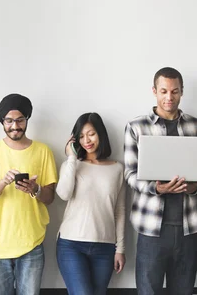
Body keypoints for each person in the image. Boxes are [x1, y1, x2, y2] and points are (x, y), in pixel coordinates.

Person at [124, 67, 197, 295]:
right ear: (154, 91)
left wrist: (195, 185)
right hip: (151, 228)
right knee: (148, 291)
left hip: (188, 227)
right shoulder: (136, 127)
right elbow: (130, 174)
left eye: (174, 91)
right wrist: (156, 188)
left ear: (182, 92)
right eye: (163, 91)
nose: (169, 97)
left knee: (183, 290)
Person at [0, 93, 58, 295]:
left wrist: (35, 189)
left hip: (32, 243)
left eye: (20, 120)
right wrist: (1, 183)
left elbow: (50, 198)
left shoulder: (43, 151)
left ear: (27, 119)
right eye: (9, 121)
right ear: (2, 122)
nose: (15, 126)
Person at [56, 112, 126, 295]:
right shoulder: (71, 165)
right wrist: (71, 158)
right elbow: (63, 194)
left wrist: (120, 249)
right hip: (71, 244)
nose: (86, 140)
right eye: (80, 136)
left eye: (91, 134)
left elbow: (119, 211)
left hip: (105, 247)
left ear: (101, 134)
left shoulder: (117, 169)